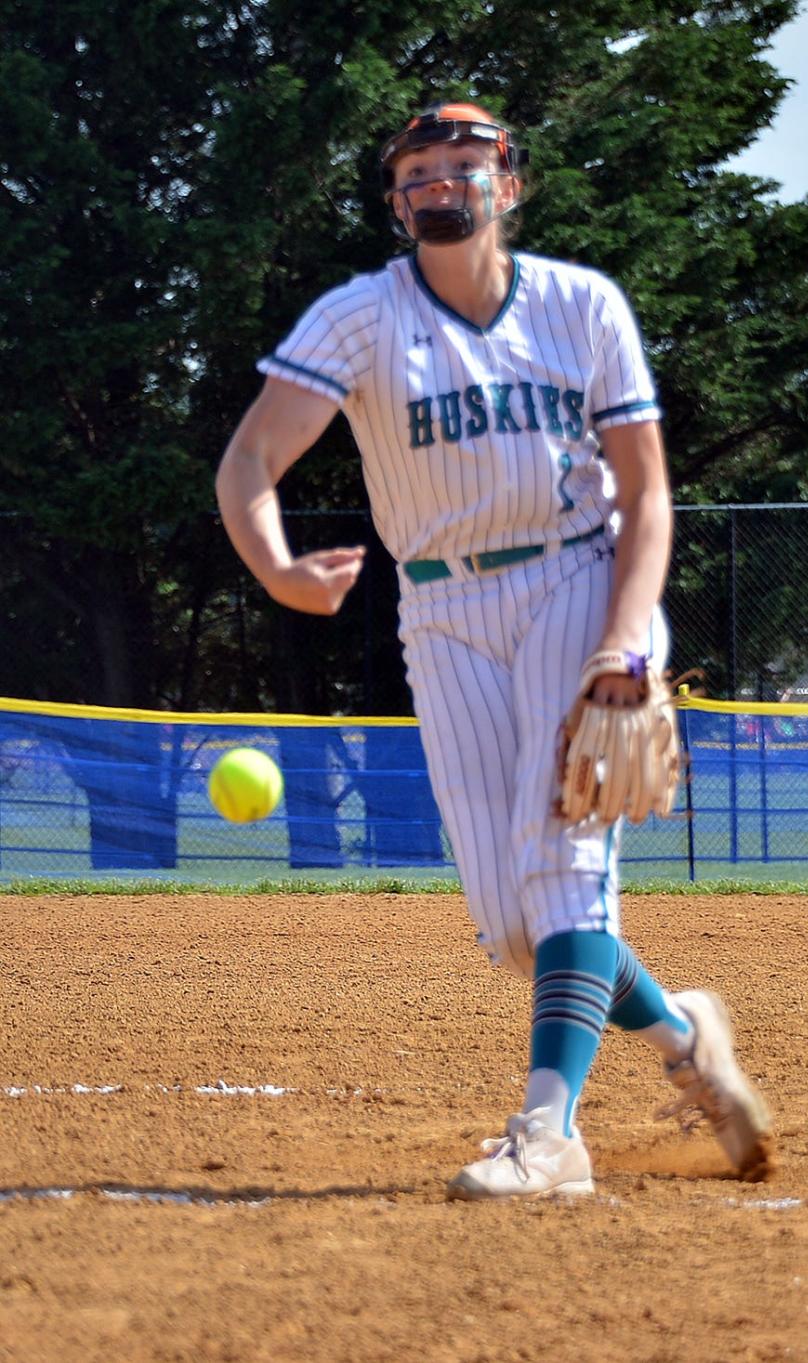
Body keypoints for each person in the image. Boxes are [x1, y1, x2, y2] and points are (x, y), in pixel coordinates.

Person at [215, 101, 773, 1199]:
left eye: (465, 163)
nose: (439, 180)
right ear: (395, 200)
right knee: (520, 931)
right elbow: (249, 462)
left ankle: (548, 1134)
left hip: (577, 579)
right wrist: (279, 571)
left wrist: (625, 633)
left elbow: (649, 491)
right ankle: (687, 1044)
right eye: (417, 168)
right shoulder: (360, 319)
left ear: (508, 186)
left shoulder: (580, 306)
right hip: (441, 613)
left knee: (566, 875)